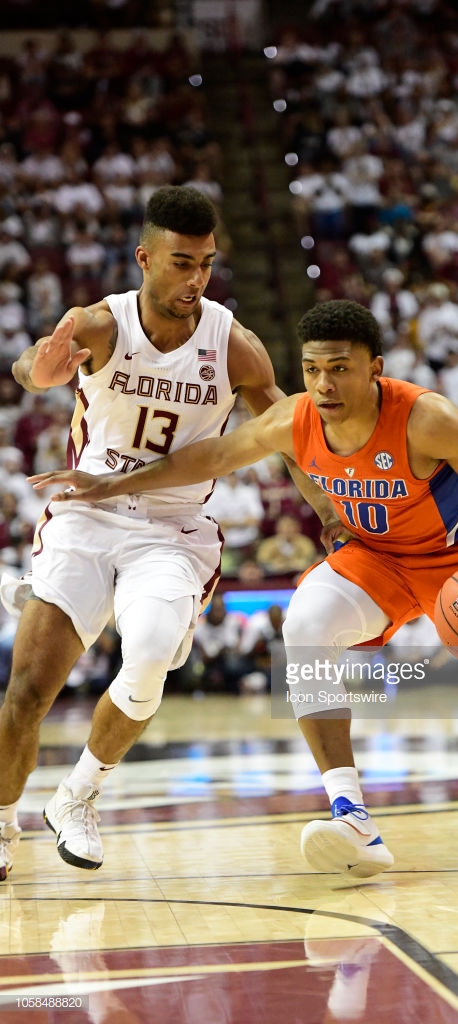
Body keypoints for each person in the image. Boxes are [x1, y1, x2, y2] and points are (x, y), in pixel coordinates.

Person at [30, 299, 458, 878]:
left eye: (340, 368)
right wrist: (109, 483)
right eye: (311, 369)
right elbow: (210, 458)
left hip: (456, 565)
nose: (324, 384)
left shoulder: (426, 418)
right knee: (303, 627)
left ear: (374, 368)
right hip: (374, 561)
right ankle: (352, 815)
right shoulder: (295, 419)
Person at [0, 186, 341, 882]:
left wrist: (331, 513)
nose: (195, 280)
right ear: (144, 259)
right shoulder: (101, 325)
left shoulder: (232, 344)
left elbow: (288, 435)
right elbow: (34, 366)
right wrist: (38, 365)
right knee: (30, 687)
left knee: (152, 653)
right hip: (88, 512)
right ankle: (2, 821)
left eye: (206, 265)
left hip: (173, 528)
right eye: (181, 263)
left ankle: (78, 796)